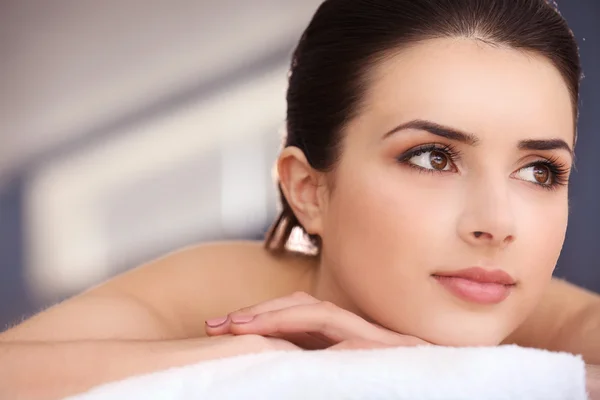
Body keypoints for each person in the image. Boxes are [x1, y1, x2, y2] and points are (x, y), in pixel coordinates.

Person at [1, 0, 599, 398]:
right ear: (308, 190)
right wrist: (273, 355)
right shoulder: (224, 293)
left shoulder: (559, 316)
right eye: (432, 157)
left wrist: (431, 367)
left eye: (541, 171)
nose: (496, 223)